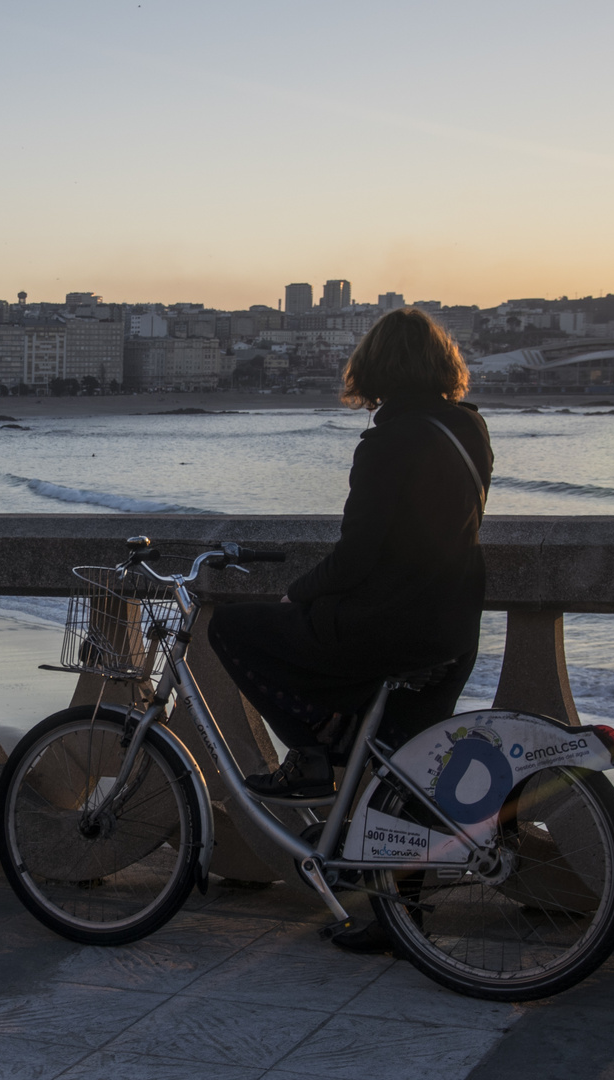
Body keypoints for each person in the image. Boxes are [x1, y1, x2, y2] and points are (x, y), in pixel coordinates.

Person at [208, 307, 493, 951]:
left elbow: (357, 553)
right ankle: (403, 922)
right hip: (452, 627)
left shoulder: (388, 441)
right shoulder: (469, 429)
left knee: (234, 628)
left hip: (386, 626)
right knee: (409, 773)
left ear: (374, 370)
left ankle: (311, 756)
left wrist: (296, 591)